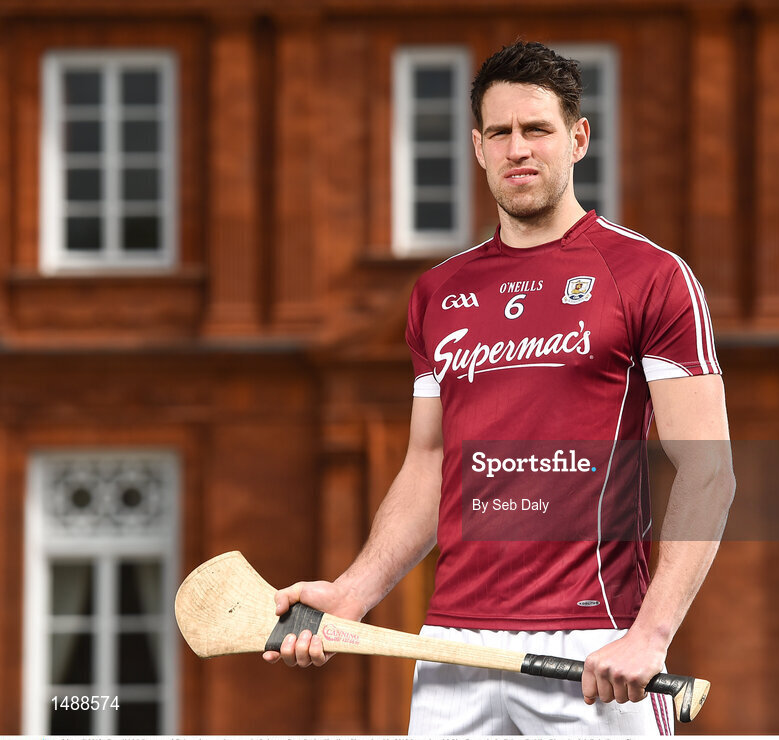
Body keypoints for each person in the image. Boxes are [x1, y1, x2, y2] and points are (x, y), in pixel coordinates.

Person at [263, 40, 735, 735]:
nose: (519, 149)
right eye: (500, 133)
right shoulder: (438, 293)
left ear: (577, 139)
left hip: (593, 647)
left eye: (537, 129)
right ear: (478, 148)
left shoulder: (650, 277)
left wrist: (651, 634)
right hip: (451, 644)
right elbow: (429, 464)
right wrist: (353, 592)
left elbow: (707, 468)